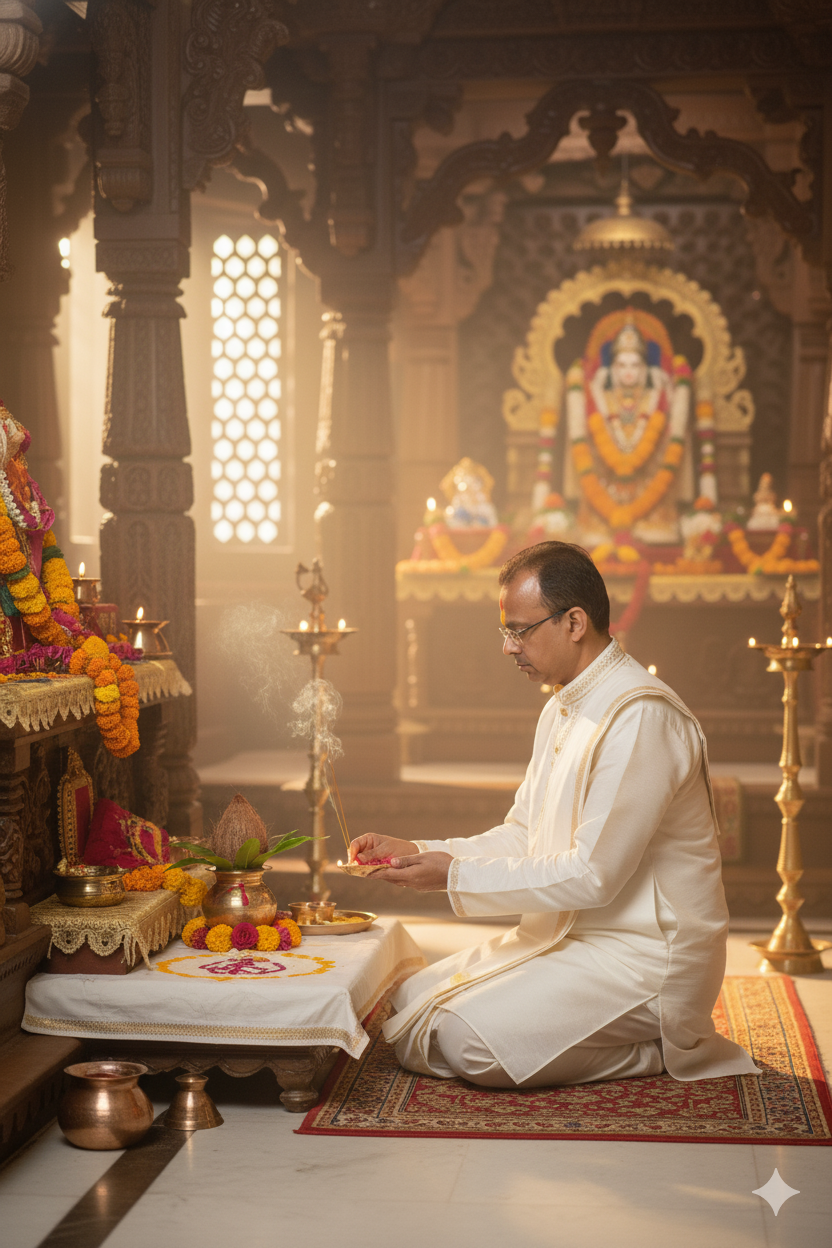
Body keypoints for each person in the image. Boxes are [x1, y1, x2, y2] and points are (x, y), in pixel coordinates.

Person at [349, 541, 759, 1088]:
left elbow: (594, 874)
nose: (507, 648)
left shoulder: (640, 716)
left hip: (645, 956)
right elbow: (524, 834)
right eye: (505, 632)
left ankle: (656, 1048)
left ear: (574, 622)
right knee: (410, 1003)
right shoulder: (563, 705)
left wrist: (455, 876)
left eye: (518, 630)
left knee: (467, 1044)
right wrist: (420, 852)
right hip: (570, 936)